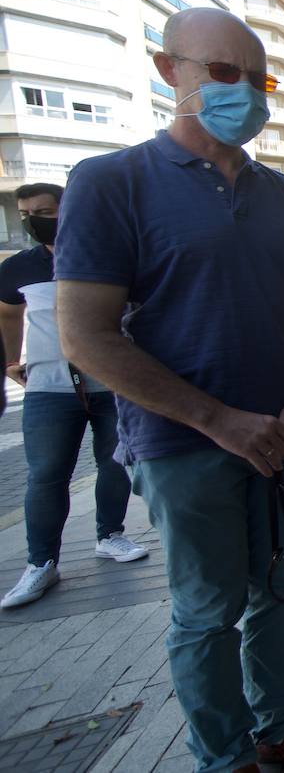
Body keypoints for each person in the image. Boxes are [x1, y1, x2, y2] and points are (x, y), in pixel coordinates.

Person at [55, 8, 284, 773]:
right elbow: (86, 336)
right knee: (207, 612)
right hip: (184, 448)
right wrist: (216, 420)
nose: (246, 93)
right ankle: (225, 755)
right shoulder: (109, 184)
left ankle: (282, 723)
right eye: (225, 74)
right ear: (170, 72)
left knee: (282, 593)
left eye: (259, 80)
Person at [0, 183, 148, 610]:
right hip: (48, 388)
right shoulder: (18, 268)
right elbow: (7, 311)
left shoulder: (110, 254)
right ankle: (40, 562)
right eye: (25, 213)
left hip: (111, 381)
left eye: (44, 210)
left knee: (114, 461)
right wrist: (11, 361)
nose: (33, 220)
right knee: (46, 474)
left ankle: (110, 534)